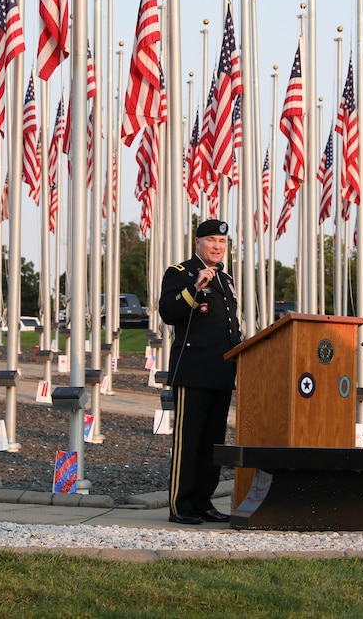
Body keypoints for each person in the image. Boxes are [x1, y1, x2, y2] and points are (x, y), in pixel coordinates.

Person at [158, 220, 242, 525]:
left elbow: (232, 328)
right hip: (192, 372)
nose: (218, 246)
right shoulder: (180, 273)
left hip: (221, 373)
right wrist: (195, 288)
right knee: (189, 443)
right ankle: (181, 506)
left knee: (211, 445)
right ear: (197, 243)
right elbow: (168, 312)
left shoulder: (227, 279)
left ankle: (203, 501)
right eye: (211, 240)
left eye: (222, 241)